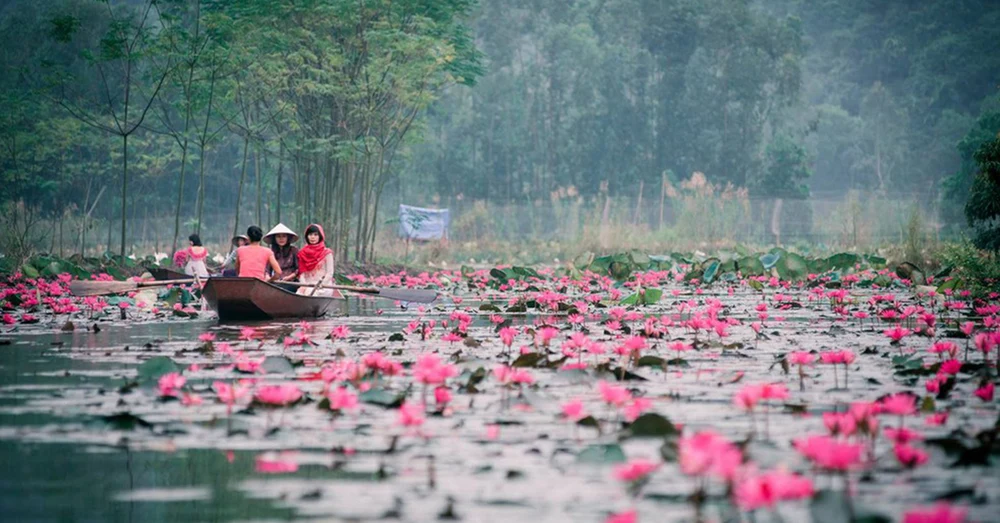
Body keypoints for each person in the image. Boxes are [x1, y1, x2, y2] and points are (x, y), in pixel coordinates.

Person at [292, 224, 335, 296]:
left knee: (311, 293)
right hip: (307, 285)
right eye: (310, 234)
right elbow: (301, 273)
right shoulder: (302, 253)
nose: (312, 237)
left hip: (324, 286)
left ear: (320, 236)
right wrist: (303, 285)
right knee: (298, 294)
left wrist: (321, 285)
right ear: (307, 236)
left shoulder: (327, 253)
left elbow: (330, 273)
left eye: (316, 235)